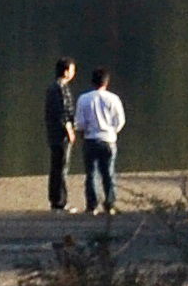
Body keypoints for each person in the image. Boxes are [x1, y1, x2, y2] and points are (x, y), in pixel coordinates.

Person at [74, 67, 126, 213]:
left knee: (91, 174)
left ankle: (92, 205)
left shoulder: (84, 99)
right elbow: (120, 121)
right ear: (106, 82)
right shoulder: (113, 98)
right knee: (108, 173)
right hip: (108, 140)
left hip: (90, 139)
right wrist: (112, 131)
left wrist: (83, 133)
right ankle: (109, 204)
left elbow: (80, 122)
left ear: (92, 82)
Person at [43, 55, 78, 210]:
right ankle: (60, 201)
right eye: (72, 69)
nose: (73, 73)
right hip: (60, 134)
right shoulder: (60, 88)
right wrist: (69, 129)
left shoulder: (53, 87)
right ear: (65, 71)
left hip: (53, 133)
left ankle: (55, 199)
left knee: (56, 167)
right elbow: (62, 111)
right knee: (62, 167)